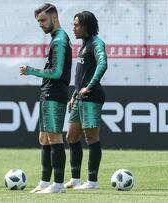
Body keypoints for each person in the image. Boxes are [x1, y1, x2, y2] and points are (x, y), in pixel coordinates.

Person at [19, 3, 72, 194]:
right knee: (44, 138)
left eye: (43, 20)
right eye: (38, 21)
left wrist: (31, 71)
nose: (40, 24)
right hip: (48, 92)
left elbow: (57, 72)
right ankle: (44, 182)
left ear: (54, 18)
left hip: (55, 93)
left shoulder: (60, 40)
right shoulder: (56, 39)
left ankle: (58, 185)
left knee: (54, 137)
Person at [64, 11, 107, 190]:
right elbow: (81, 75)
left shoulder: (97, 43)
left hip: (92, 97)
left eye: (77, 25)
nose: (74, 28)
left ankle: (92, 182)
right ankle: (75, 179)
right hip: (80, 98)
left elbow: (103, 64)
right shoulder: (84, 46)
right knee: (71, 137)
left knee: (91, 139)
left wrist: (88, 87)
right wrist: (74, 95)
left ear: (86, 26)